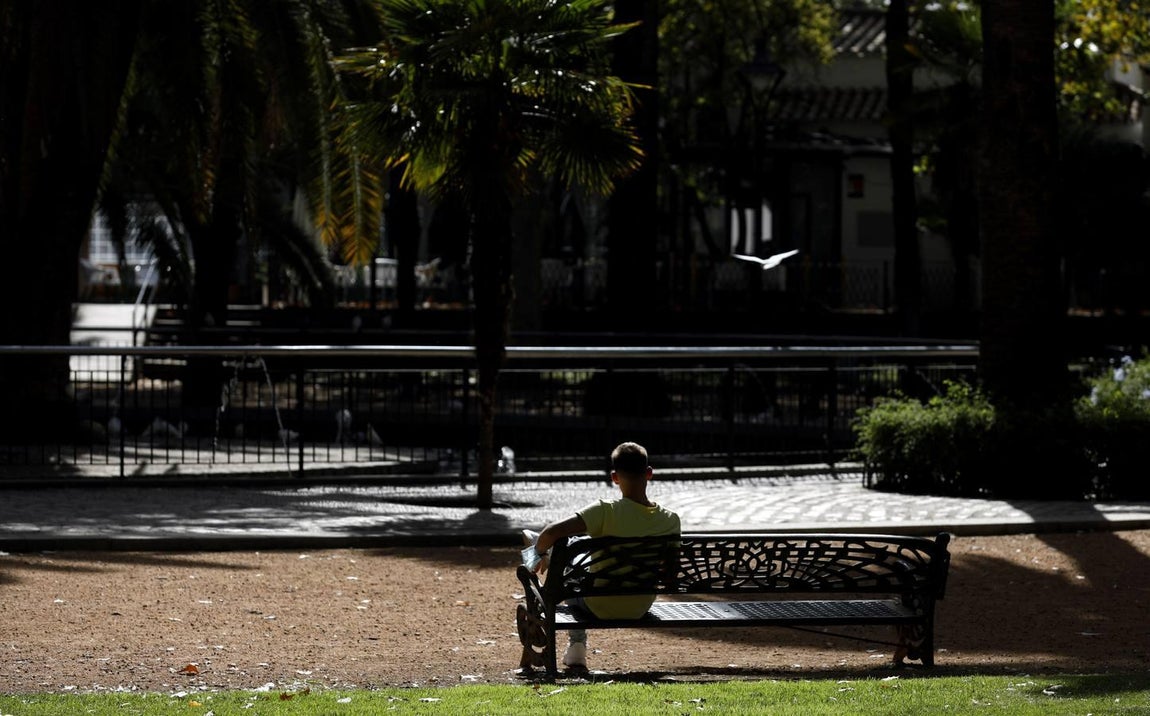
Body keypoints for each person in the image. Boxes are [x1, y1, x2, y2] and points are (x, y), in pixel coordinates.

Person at [522, 441, 681, 669]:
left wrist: (534, 556)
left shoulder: (606, 511)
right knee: (577, 552)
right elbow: (671, 574)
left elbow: (551, 531)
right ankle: (548, 555)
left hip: (599, 603)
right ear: (649, 473)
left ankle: (577, 645)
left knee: (568, 567)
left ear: (614, 477)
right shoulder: (671, 520)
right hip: (640, 605)